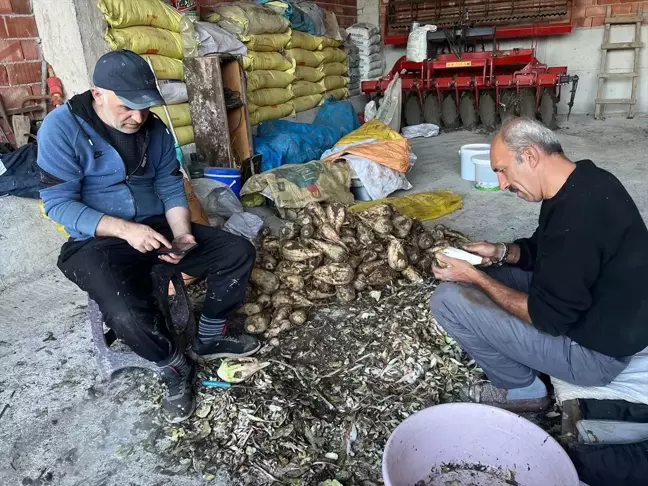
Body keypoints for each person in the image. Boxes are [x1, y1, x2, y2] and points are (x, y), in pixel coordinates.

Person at [37, 50, 260, 423]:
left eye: (145, 106)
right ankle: (173, 366)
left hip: (155, 227)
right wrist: (125, 229)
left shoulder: (153, 128)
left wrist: (182, 234)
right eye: (127, 106)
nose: (138, 117)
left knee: (236, 251)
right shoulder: (61, 128)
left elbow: (170, 185)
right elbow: (57, 204)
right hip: (97, 240)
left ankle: (209, 336)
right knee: (125, 311)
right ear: (98, 93)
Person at [430, 117, 648, 412]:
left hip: (594, 357)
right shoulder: (585, 181)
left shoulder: (578, 218)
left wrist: (474, 277)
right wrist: (501, 251)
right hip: (599, 311)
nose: (502, 184)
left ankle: (523, 390)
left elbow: (549, 319)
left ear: (530, 156)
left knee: (448, 299)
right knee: (485, 277)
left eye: (502, 171)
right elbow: (546, 249)